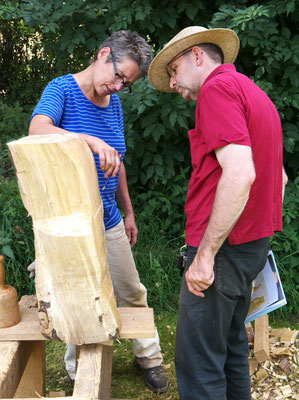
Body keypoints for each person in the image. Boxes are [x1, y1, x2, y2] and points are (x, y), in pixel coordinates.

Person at [148, 26, 287, 399]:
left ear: (197, 56)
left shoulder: (217, 90)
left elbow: (241, 173)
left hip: (224, 249)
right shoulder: (253, 92)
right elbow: (282, 178)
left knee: (198, 363)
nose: (172, 83)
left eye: (173, 70)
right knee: (230, 350)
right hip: (249, 244)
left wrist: (206, 256)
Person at [28, 30, 168, 394]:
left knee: (132, 291)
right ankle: (77, 373)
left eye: (128, 83)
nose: (120, 86)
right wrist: (89, 140)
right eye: (119, 76)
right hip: (70, 224)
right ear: (104, 54)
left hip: (108, 219)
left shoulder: (115, 105)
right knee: (77, 297)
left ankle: (149, 358)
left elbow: (117, 161)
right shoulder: (63, 90)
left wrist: (129, 212)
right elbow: (37, 129)